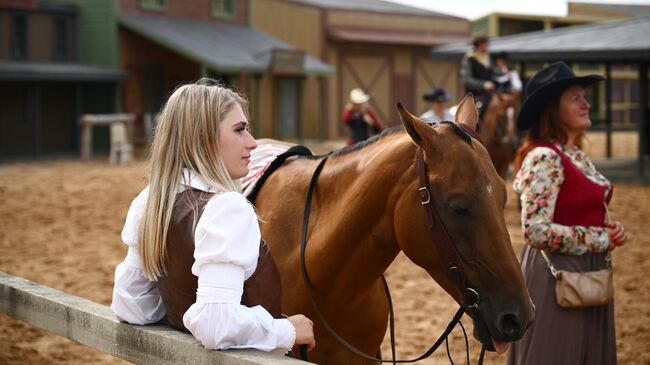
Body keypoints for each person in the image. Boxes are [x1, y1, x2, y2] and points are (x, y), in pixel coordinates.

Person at [110, 78, 316, 355]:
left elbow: (131, 305)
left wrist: (180, 314)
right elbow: (215, 324)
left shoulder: (150, 200)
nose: (253, 143)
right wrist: (287, 329)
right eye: (239, 130)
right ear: (203, 139)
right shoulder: (227, 208)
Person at [507, 62, 627, 365]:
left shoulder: (575, 154)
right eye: (576, 98)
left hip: (588, 272)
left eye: (584, 96)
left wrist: (611, 230)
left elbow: (579, 210)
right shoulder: (545, 157)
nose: (586, 103)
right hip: (556, 276)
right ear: (552, 109)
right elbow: (535, 230)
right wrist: (600, 239)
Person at [460, 34, 497, 116]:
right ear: (478, 44)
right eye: (485, 43)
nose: (487, 45)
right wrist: (483, 84)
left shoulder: (488, 57)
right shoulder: (469, 58)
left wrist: (505, 72)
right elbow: (466, 80)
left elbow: (494, 71)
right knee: (475, 116)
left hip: (489, 94)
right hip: (474, 96)